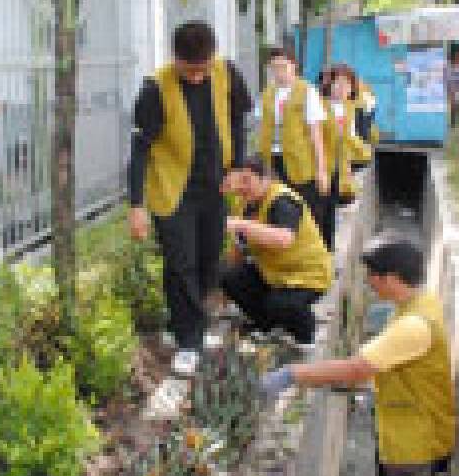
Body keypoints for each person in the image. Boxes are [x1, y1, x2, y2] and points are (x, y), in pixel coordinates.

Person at [259, 241, 456, 476]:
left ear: (393, 278)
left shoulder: (413, 325)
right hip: (410, 437)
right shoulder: (421, 304)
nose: (370, 282)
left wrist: (292, 374)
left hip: (411, 448)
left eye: (374, 276)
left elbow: (356, 369)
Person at [127, 21, 253, 376]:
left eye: (203, 70)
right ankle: (188, 340)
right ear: (175, 59)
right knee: (181, 262)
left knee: (208, 260)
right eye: (189, 71)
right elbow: (139, 150)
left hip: (215, 188)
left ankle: (187, 324)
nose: (197, 77)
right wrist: (136, 205)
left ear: (213, 57)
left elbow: (238, 118)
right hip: (173, 191)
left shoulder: (226, 72)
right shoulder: (155, 89)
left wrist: (238, 166)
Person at [218, 155, 333, 347]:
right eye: (239, 181)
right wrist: (228, 288)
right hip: (273, 273)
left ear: (266, 179)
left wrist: (240, 225)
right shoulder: (245, 205)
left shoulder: (282, 201)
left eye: (247, 181)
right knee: (228, 276)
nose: (242, 187)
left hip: (308, 276)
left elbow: (283, 239)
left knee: (279, 304)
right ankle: (265, 324)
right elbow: (238, 247)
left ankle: (306, 333)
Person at [256, 49, 330, 243]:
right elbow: (261, 126)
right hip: (272, 158)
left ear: (293, 66)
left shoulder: (306, 91)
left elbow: (316, 133)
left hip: (300, 160)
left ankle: (312, 246)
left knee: (306, 205)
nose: (279, 72)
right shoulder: (267, 94)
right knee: (278, 203)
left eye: (283, 67)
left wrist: (321, 170)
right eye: (274, 68)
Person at [319, 63, 370, 248]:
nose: (341, 88)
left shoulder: (352, 109)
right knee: (319, 211)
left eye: (346, 84)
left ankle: (328, 250)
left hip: (340, 168)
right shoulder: (319, 107)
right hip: (321, 168)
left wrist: (358, 157)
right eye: (337, 83)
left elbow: (355, 138)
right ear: (328, 85)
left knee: (332, 212)